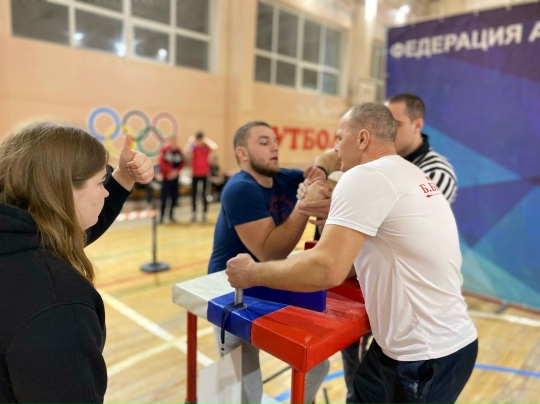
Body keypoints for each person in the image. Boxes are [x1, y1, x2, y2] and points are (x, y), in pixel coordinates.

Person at [226, 104, 478, 404]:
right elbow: (353, 261)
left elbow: (327, 268)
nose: (335, 147)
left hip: (425, 354)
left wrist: (251, 274)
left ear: (362, 139)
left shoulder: (365, 176)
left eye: (339, 138)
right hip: (422, 344)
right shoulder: (409, 173)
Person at [0, 123, 154, 404]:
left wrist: (122, 177)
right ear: (61, 190)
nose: (105, 193)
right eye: (100, 182)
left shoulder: (15, 239)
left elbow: (67, 232)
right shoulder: (58, 304)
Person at [326, 93, 460, 404]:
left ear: (417, 125)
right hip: (384, 301)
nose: (387, 128)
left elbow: (401, 226)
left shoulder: (432, 171)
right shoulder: (382, 166)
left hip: (419, 316)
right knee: (360, 380)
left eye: (395, 123)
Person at [208, 121, 330, 404]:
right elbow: (271, 253)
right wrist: (304, 206)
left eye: (275, 141)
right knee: (244, 386)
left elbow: (331, 157)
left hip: (266, 280)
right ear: (242, 154)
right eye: (264, 142)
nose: (274, 147)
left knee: (317, 365)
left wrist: (321, 174)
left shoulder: (287, 178)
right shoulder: (239, 189)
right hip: (229, 288)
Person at [185, 131, 217, 223]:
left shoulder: (206, 148)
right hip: (195, 174)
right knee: (194, 194)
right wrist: (191, 141)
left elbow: (215, 147)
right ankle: (194, 214)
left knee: (205, 194)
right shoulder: (194, 148)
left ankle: (204, 214)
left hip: (205, 174)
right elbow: (186, 152)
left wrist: (206, 140)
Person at [158, 135, 185, 223]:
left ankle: (171, 216)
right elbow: (161, 162)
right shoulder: (164, 150)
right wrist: (169, 172)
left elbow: (182, 163)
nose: (173, 142)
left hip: (175, 178)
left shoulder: (179, 151)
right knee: (164, 198)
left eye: (175, 140)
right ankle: (161, 217)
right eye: (172, 140)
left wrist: (176, 172)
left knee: (174, 197)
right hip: (166, 178)